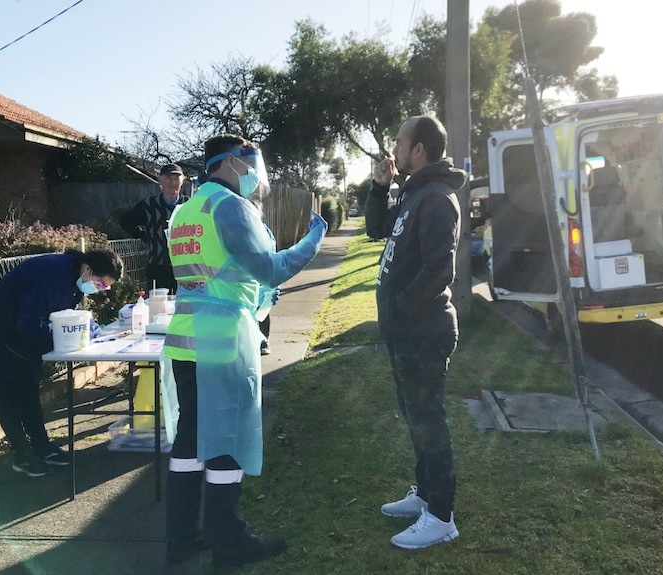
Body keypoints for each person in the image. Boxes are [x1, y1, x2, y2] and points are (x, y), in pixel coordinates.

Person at [163, 134, 327, 568]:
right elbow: (271, 269)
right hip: (221, 340)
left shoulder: (186, 209)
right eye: (250, 159)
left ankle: (181, 539)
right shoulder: (230, 207)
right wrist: (313, 239)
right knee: (226, 440)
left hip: (184, 337)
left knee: (191, 438)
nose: (255, 169)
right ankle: (228, 540)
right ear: (231, 162)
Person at [364, 115, 466, 549]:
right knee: (415, 417)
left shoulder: (437, 198)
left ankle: (441, 516)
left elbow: (440, 269)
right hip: (406, 330)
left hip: (423, 330)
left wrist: (401, 309)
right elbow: (374, 228)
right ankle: (425, 495)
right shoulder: (412, 193)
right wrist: (378, 186)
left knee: (429, 421)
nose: (395, 147)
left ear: (419, 148)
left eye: (400, 141)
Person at [0, 248, 124, 477]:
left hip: (16, 334)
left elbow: (65, 316)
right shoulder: (49, 275)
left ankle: (42, 447)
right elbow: (32, 324)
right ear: (87, 269)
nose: (101, 290)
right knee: (11, 392)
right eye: (101, 284)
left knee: (28, 390)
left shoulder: (72, 277)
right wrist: (64, 340)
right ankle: (22, 454)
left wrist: (87, 330)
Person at [119, 163, 188, 293]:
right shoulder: (148, 205)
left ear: (182, 181)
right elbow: (125, 221)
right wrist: (144, 236)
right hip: (157, 267)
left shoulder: (190, 205)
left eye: (176, 179)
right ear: (160, 181)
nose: (172, 182)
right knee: (158, 307)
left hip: (185, 268)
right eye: (168, 178)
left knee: (184, 307)